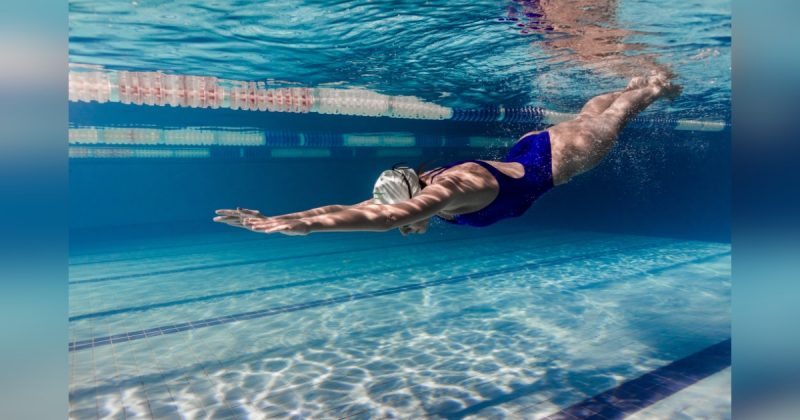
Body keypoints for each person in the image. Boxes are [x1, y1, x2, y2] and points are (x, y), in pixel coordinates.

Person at [214, 74, 680, 236]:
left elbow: (381, 219)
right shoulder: (429, 190)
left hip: (559, 161)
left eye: (405, 218)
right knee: (591, 114)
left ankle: (658, 84)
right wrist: (279, 216)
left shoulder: (450, 191)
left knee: (618, 113)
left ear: (416, 199)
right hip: (533, 150)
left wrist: (305, 226)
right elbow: (359, 209)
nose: (404, 226)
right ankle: (634, 82)